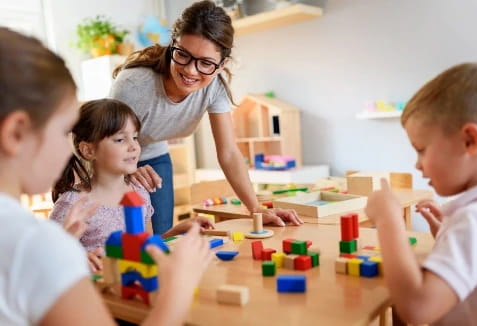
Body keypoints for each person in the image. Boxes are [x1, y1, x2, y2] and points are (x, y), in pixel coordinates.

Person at [0, 27, 212, 325]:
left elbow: (143, 242)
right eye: (63, 131)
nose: (68, 147)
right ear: (17, 133)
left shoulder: (39, 241)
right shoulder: (34, 245)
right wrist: (177, 289)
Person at [111, 0, 303, 234]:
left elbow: (229, 153)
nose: (191, 71)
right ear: (172, 45)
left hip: (153, 155)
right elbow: (103, 140)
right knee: (119, 238)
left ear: (222, 65)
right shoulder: (134, 84)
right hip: (109, 156)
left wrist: (255, 208)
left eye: (205, 63)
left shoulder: (214, 88)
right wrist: (127, 169)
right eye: (183, 55)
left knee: (161, 239)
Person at [364, 62, 477, 325]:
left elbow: (417, 308)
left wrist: (388, 220)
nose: (417, 164)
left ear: (469, 140)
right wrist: (447, 236)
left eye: (421, 149)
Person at [50, 99, 215, 272]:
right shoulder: (73, 203)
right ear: (89, 150)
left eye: (135, 137)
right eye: (120, 139)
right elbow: (50, 260)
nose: (134, 146)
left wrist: (179, 230)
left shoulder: (140, 193)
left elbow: (146, 246)